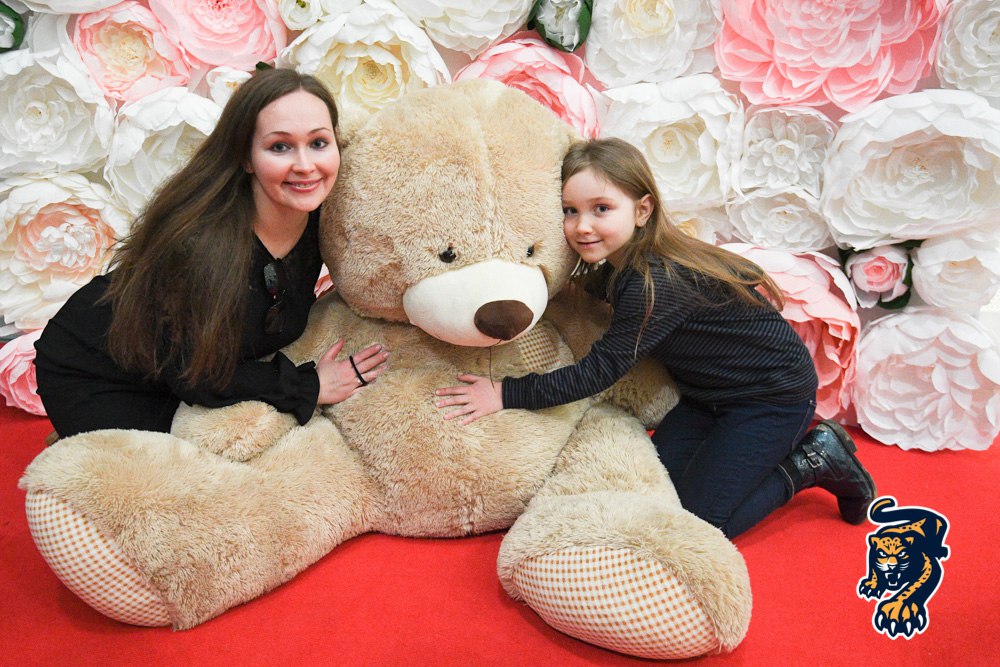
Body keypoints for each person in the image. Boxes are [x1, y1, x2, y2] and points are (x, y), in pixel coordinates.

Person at [434, 137, 875, 539]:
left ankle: (815, 460)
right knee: (657, 488)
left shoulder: (655, 284)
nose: (582, 226)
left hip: (771, 398)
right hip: (706, 396)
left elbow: (597, 373)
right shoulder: (622, 265)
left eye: (601, 209)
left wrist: (506, 393)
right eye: (570, 211)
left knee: (702, 520)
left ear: (642, 210)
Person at [34, 68, 389, 440]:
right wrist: (308, 385)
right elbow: (199, 376)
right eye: (280, 147)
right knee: (180, 468)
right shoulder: (200, 246)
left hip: (189, 370)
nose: (305, 165)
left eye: (318, 142)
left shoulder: (321, 215)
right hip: (100, 369)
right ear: (247, 157)